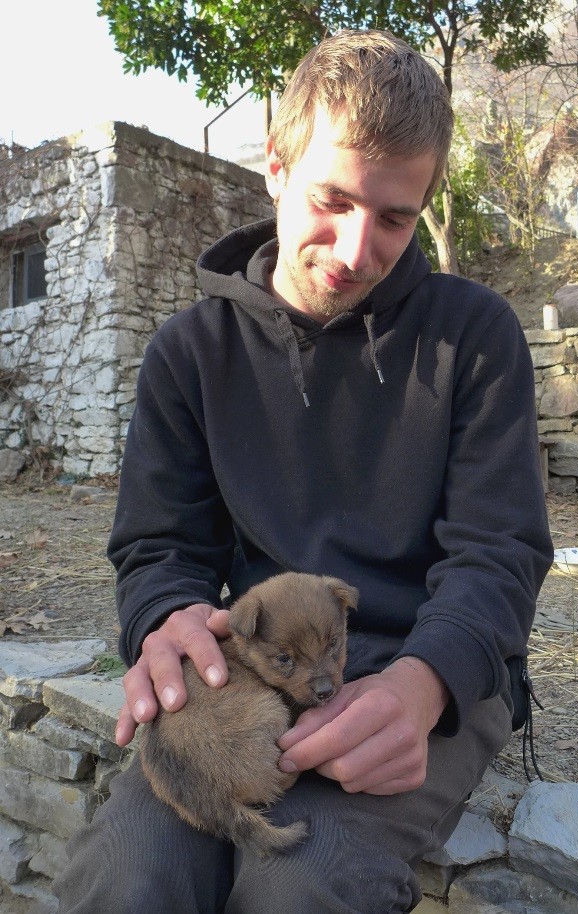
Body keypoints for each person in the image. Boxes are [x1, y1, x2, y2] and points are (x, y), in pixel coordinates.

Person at [54, 29, 552, 913]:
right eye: (334, 198)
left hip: (427, 674)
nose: (359, 250)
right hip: (249, 675)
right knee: (127, 875)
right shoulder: (188, 355)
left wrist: (426, 682)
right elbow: (158, 548)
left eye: (395, 217)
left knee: (303, 881)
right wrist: (167, 624)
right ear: (276, 168)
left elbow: (499, 555)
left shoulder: (474, 338)